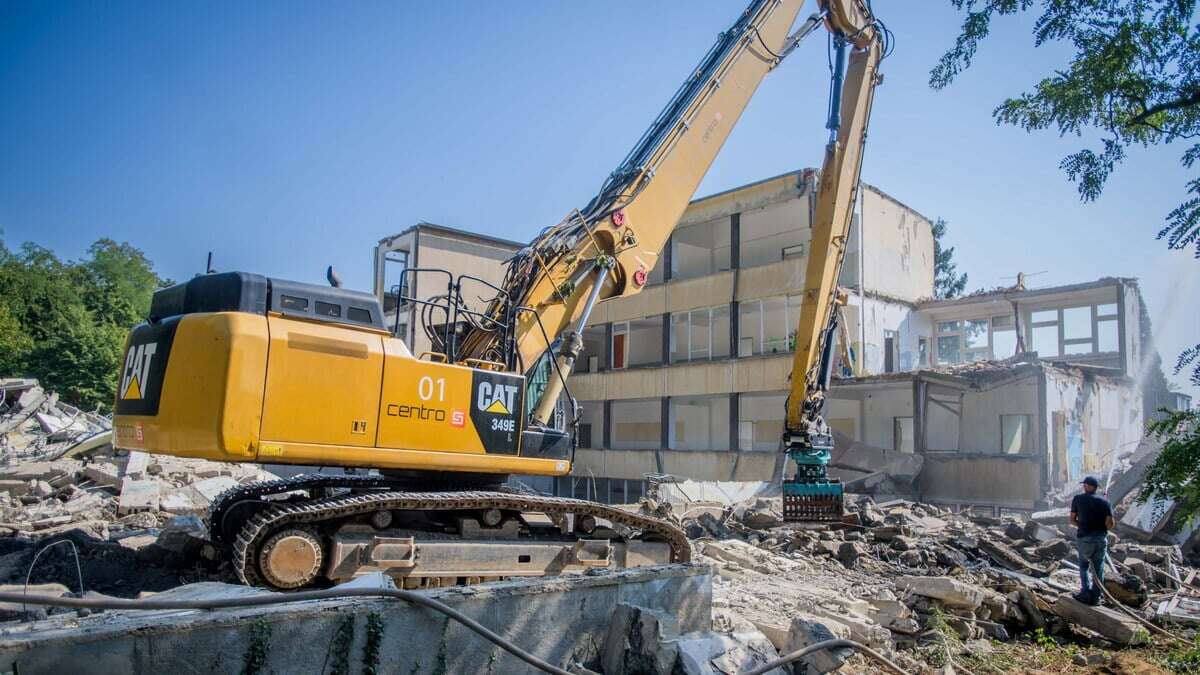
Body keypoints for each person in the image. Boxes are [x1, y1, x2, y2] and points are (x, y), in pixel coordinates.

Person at [1069, 476, 1115, 605]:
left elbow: (1072, 519)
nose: (1083, 486)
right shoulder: (1105, 502)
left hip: (1085, 538)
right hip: (1101, 539)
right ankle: (1095, 597)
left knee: (1084, 565)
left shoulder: (1077, 499)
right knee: (1099, 567)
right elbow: (1110, 524)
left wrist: (1082, 526)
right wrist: (1100, 528)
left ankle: (1085, 593)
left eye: (1085, 484)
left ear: (1088, 486)